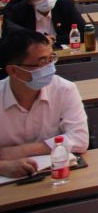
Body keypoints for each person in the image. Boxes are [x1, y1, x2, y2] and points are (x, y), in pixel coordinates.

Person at [0, 30, 89, 178]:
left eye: (51, 59)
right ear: (13, 70)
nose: (50, 67)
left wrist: (20, 151)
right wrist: (3, 166)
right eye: (42, 62)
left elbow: (80, 139)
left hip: (56, 176)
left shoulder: (64, 89)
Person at [3, 0, 86, 47]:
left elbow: (84, 32)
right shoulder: (19, 11)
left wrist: (55, 39)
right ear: (29, 1)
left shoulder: (65, 5)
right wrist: (36, 40)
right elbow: (10, 40)